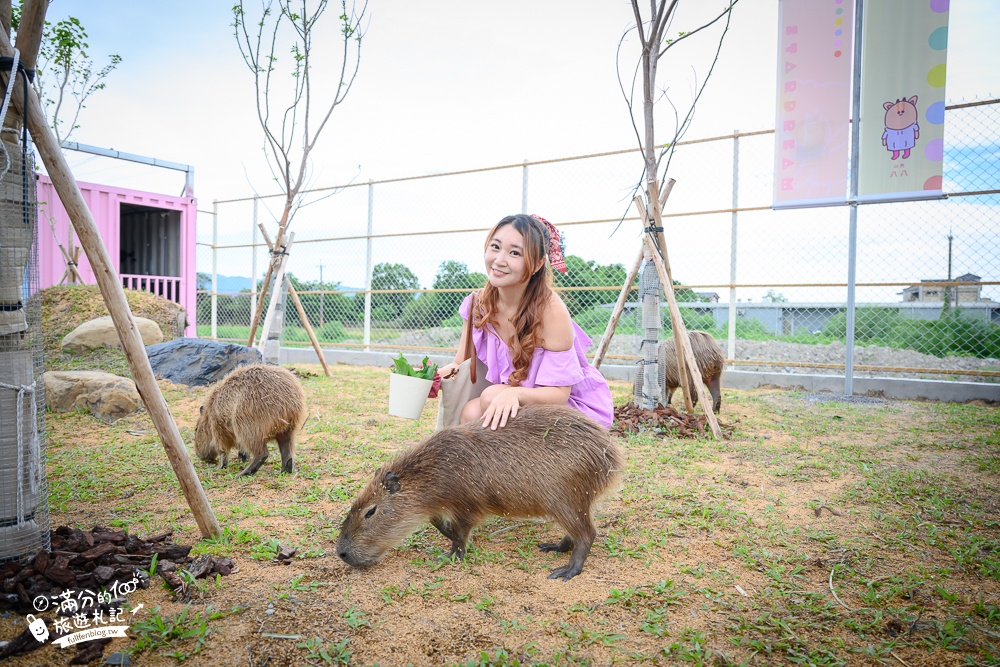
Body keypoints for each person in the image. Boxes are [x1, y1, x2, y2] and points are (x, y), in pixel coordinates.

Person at [437, 213, 614, 430]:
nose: (499, 260)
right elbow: (459, 364)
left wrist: (515, 393)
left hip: (562, 406)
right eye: (495, 247)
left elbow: (559, 394)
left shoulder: (551, 311)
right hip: (510, 397)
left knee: (491, 396)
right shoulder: (478, 303)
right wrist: (430, 378)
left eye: (514, 253)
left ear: (539, 263)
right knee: (471, 412)